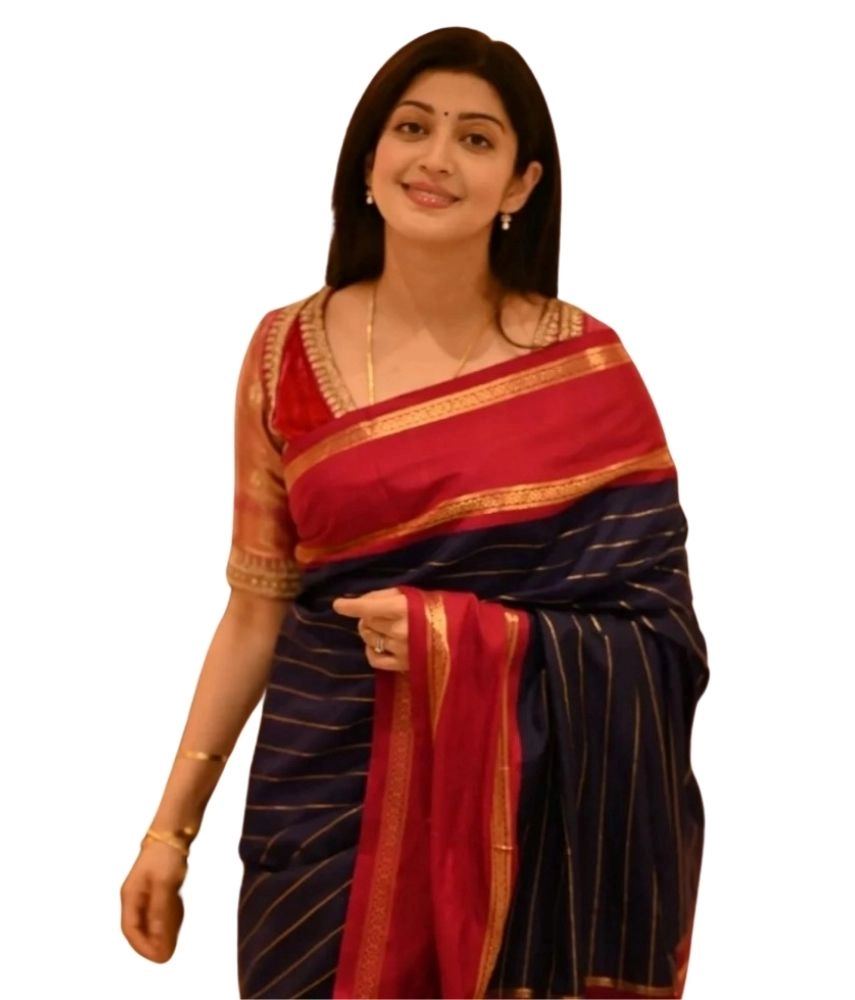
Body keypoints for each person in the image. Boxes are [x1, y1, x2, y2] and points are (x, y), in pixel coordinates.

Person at [119, 25, 709, 1000]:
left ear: (520, 185)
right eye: (412, 127)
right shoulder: (283, 351)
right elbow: (256, 609)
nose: (436, 158)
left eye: (475, 139)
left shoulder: (585, 370)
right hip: (318, 804)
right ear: (368, 159)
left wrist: (462, 640)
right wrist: (168, 830)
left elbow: (658, 637)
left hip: (520, 833)